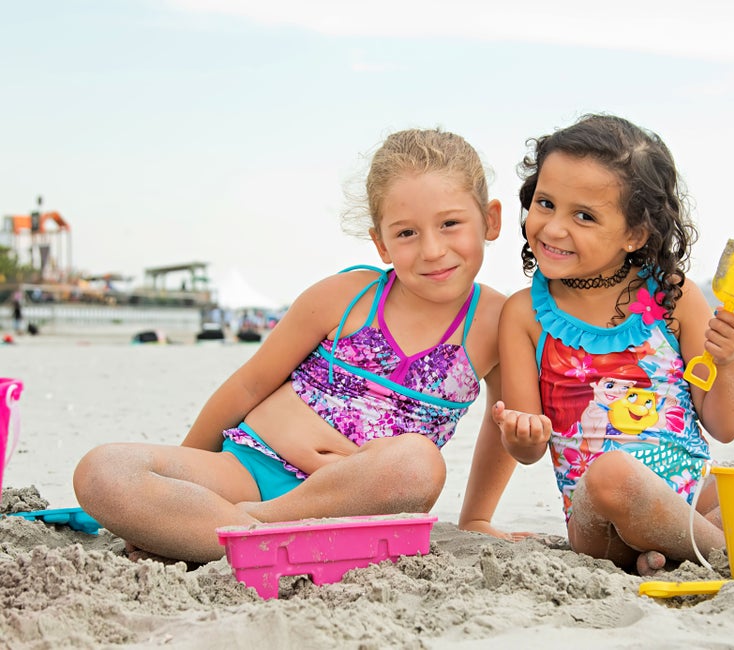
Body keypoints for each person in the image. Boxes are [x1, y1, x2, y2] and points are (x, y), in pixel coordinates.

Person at [74, 128, 519, 563]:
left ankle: (235, 531)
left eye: (450, 224)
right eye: (407, 233)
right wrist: (184, 477)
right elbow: (249, 385)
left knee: (419, 463)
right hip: (247, 469)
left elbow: (501, 424)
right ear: (381, 243)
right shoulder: (347, 296)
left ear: (491, 220)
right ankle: (250, 536)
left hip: (353, 500)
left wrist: (476, 518)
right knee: (103, 471)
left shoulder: (497, 323)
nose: (432, 249)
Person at [491, 114, 734, 575]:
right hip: (604, 520)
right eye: (545, 203)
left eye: (583, 216)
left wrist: (728, 362)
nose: (552, 227)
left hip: (694, 496)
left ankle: (688, 546)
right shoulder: (524, 314)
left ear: (635, 234)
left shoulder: (674, 297)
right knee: (612, 473)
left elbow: (724, 426)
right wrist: (522, 434)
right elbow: (527, 452)